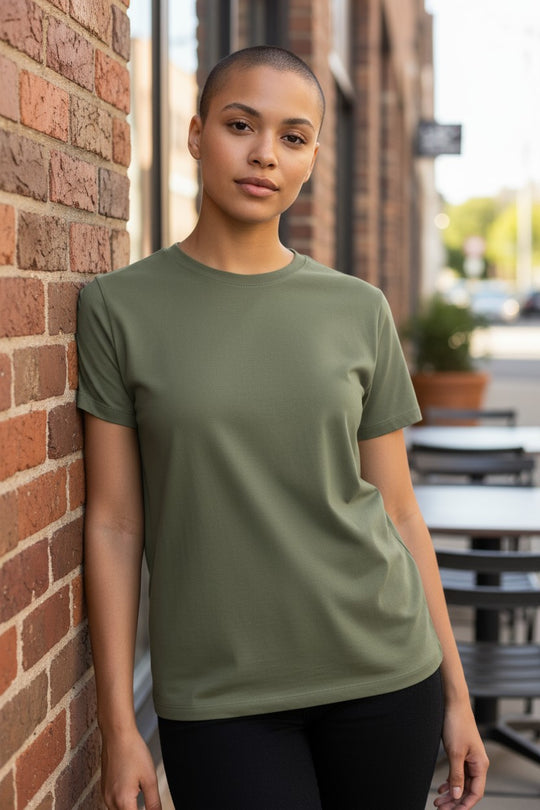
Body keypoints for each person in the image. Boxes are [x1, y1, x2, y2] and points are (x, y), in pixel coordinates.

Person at [77, 45, 489, 810]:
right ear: (197, 135)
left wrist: (457, 699)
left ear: (312, 160)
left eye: (293, 137)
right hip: (219, 696)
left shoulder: (358, 309)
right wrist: (116, 724)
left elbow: (399, 512)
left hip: (386, 674)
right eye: (242, 125)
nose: (265, 153)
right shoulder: (117, 308)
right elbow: (114, 522)